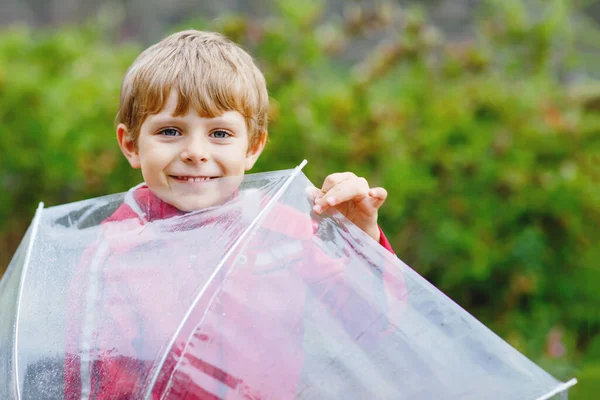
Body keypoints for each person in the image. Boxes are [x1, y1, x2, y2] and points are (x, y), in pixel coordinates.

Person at [64, 30, 404, 399]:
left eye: (220, 133)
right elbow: (93, 384)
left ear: (253, 146)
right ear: (131, 145)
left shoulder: (284, 234)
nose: (195, 151)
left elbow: (373, 321)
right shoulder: (116, 256)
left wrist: (358, 237)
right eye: (170, 130)